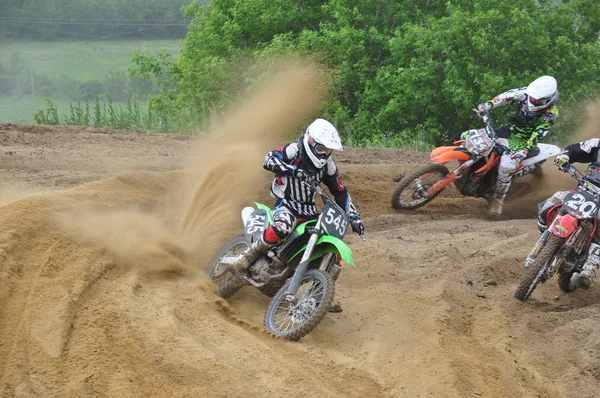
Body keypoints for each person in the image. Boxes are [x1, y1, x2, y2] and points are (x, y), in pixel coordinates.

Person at [231, 118, 365, 311]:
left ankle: (320, 295)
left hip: (309, 210)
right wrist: (293, 171)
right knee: (283, 226)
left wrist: (355, 216)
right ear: (311, 142)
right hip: (287, 204)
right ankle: (250, 253)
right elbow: (268, 160)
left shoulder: (328, 165)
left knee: (333, 254)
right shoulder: (293, 150)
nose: (325, 154)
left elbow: (340, 191)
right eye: (321, 149)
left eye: (328, 151)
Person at [476, 75, 559, 217]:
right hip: (508, 130)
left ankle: (498, 200)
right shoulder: (527, 93)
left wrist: (525, 150)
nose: (532, 101)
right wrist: (489, 105)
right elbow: (506, 96)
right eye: (532, 98)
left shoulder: (550, 113)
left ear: (547, 100)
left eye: (536, 100)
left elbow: (539, 133)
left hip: (524, 141)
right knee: (475, 136)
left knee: (507, 164)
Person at [537, 139, 600, 289]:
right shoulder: (596, 144)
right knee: (551, 202)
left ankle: (590, 265)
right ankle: (544, 237)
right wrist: (564, 157)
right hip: (584, 190)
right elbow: (574, 149)